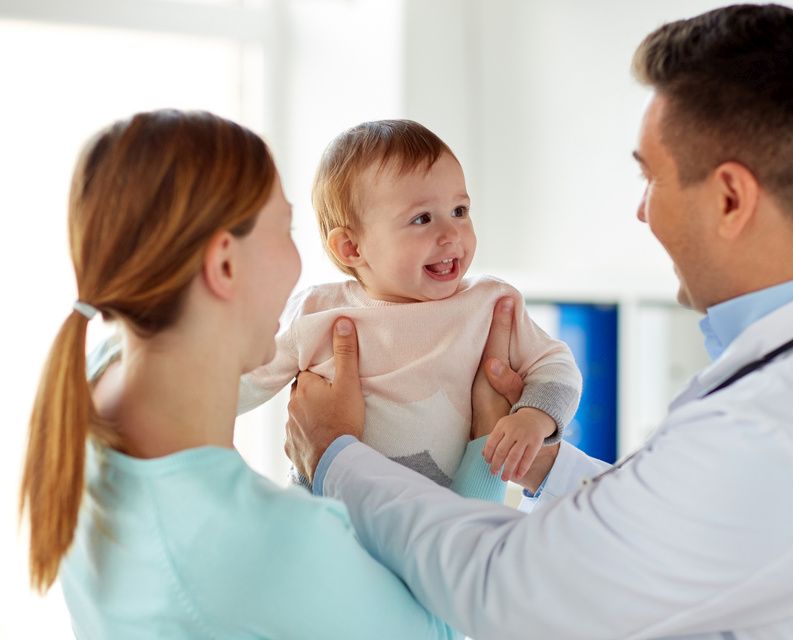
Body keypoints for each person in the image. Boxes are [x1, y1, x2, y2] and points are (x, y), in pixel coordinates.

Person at [285, 4, 793, 638]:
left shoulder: (770, 422)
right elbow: (703, 528)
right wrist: (542, 465)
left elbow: (512, 592)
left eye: (651, 180)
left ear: (729, 198)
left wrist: (337, 455)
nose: (643, 212)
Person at [18, 109, 506, 638]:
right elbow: (451, 627)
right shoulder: (274, 547)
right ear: (225, 265)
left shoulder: (96, 379)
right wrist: (484, 450)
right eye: (287, 227)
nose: (303, 262)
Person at [239, 119, 581, 486]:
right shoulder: (317, 311)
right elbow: (241, 385)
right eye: (421, 219)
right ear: (352, 247)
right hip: (328, 512)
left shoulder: (490, 304)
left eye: (460, 211)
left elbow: (557, 367)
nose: (451, 234)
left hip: (444, 514)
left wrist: (533, 416)